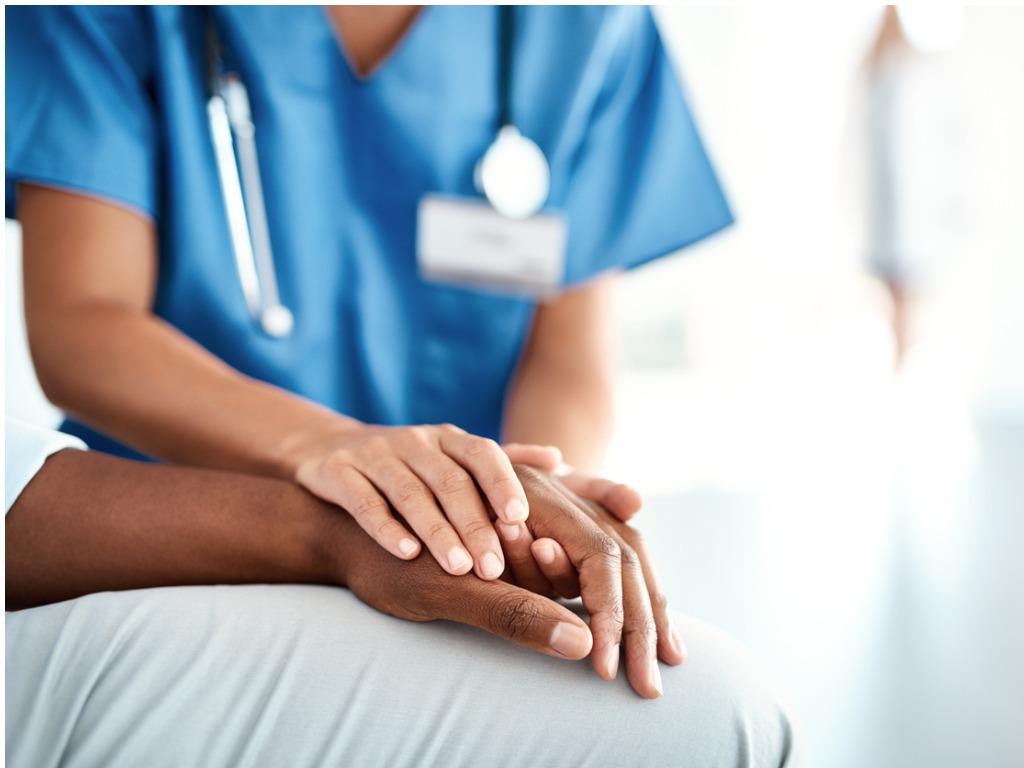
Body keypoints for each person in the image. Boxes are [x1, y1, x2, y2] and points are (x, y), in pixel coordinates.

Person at [5, 6, 731, 583]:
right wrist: (341, 453)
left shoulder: (587, 22)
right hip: (172, 542)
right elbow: (83, 326)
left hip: (452, 559)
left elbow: (568, 353)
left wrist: (520, 508)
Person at [6, 418, 792, 766]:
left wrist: (509, 510)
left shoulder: (594, 70)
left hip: (415, 510)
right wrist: (338, 519)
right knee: (712, 716)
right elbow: (85, 321)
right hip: (168, 519)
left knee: (698, 705)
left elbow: (574, 325)